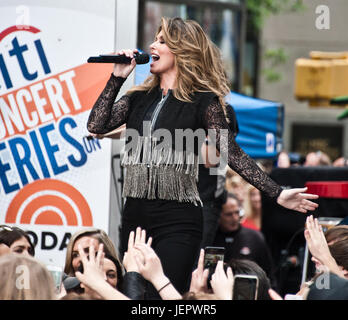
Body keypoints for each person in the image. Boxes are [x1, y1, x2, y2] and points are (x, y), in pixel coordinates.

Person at [87, 16, 319, 295]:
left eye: (161, 40)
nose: (152, 45)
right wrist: (117, 77)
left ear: (183, 50)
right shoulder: (138, 97)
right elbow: (96, 125)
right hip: (136, 215)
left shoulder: (204, 101)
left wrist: (277, 192)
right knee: (134, 294)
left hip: (179, 219)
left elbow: (231, 152)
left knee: (165, 295)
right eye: (155, 39)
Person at [212, 192, 276, 286]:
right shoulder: (210, 238)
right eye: (228, 214)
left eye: (237, 212)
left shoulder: (255, 237)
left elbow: (268, 273)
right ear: (218, 214)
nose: (234, 218)